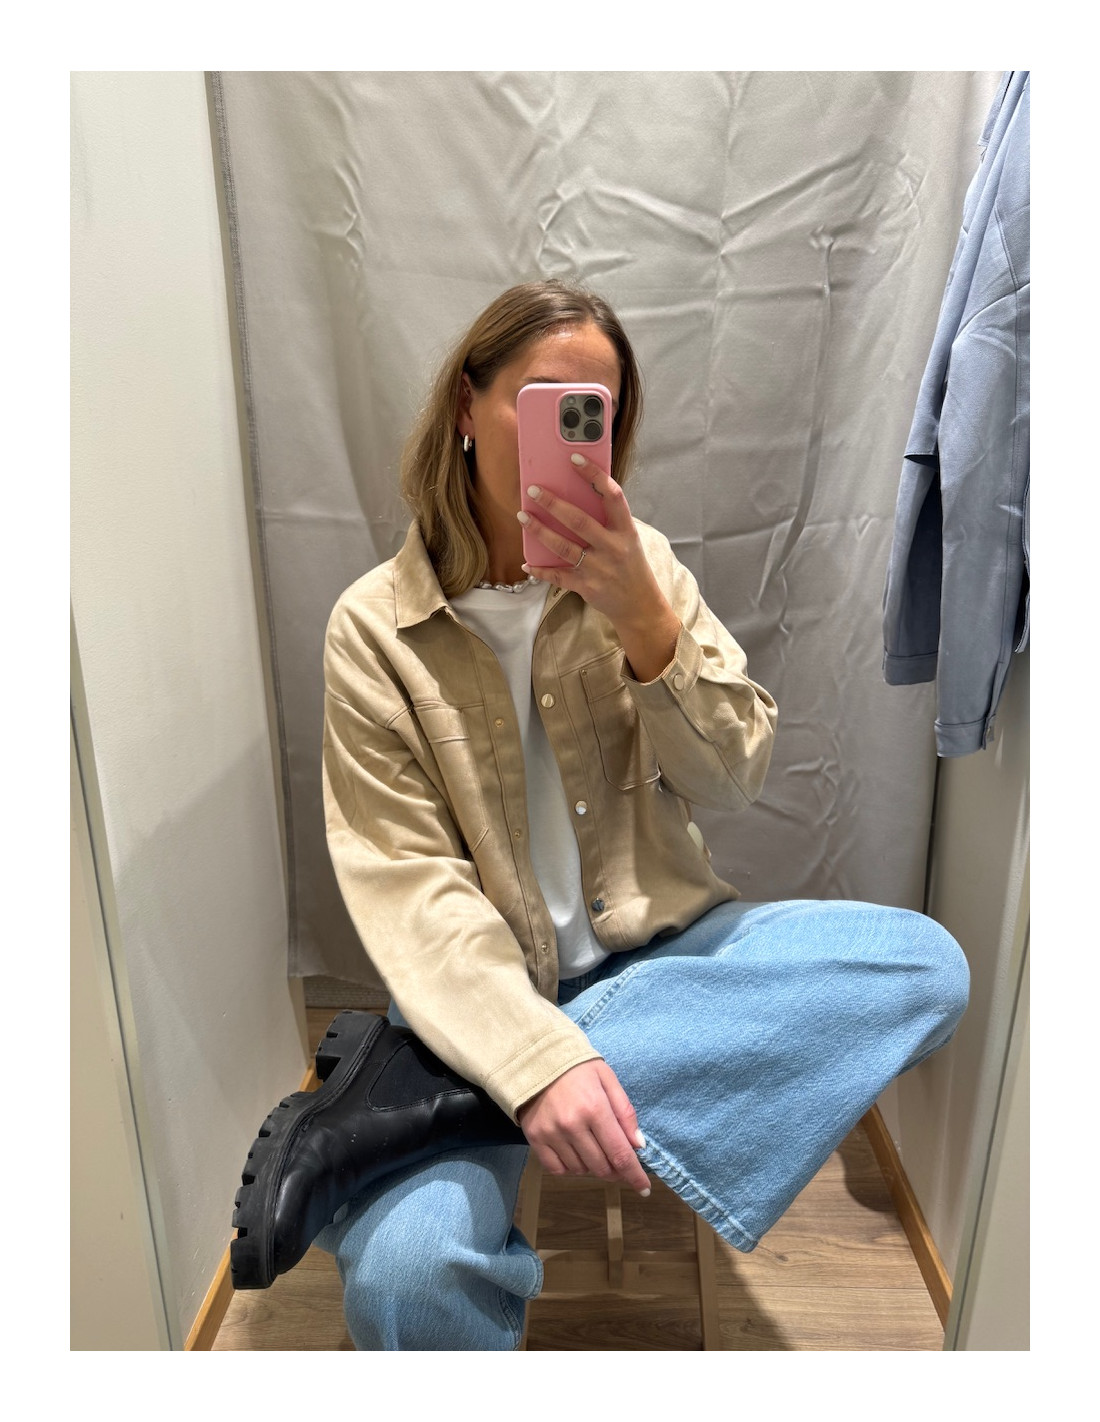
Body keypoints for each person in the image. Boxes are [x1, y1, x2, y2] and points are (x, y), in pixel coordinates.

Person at [230, 279, 969, 1350]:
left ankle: (409, 1108)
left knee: (923, 969)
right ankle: (506, 1078)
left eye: (598, 412)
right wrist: (527, 1050)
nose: (577, 434)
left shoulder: (643, 568)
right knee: (405, 1284)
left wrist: (645, 622)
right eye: (546, 403)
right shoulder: (374, 630)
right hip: (480, 983)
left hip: (662, 959)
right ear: (466, 406)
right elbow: (409, 886)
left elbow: (734, 777)